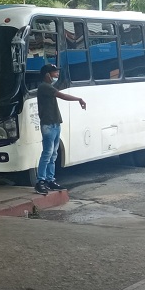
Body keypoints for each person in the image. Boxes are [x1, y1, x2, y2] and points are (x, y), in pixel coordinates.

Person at [36, 64, 86, 195]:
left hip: (55, 124)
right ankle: (40, 181)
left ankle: (50, 179)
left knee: (53, 154)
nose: (57, 74)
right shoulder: (44, 87)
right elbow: (62, 96)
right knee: (47, 153)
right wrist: (78, 99)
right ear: (47, 75)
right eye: (54, 72)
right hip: (48, 125)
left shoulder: (49, 87)